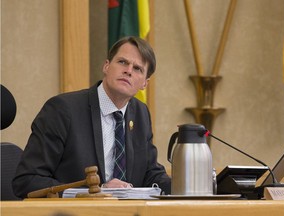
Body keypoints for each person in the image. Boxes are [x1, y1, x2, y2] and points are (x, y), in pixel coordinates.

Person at [12, 36, 171, 198]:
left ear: (145, 83)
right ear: (106, 66)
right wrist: (95, 191)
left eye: (137, 69)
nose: (128, 71)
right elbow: (27, 181)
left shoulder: (140, 113)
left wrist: (191, 186)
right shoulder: (63, 110)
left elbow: (150, 173)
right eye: (122, 62)